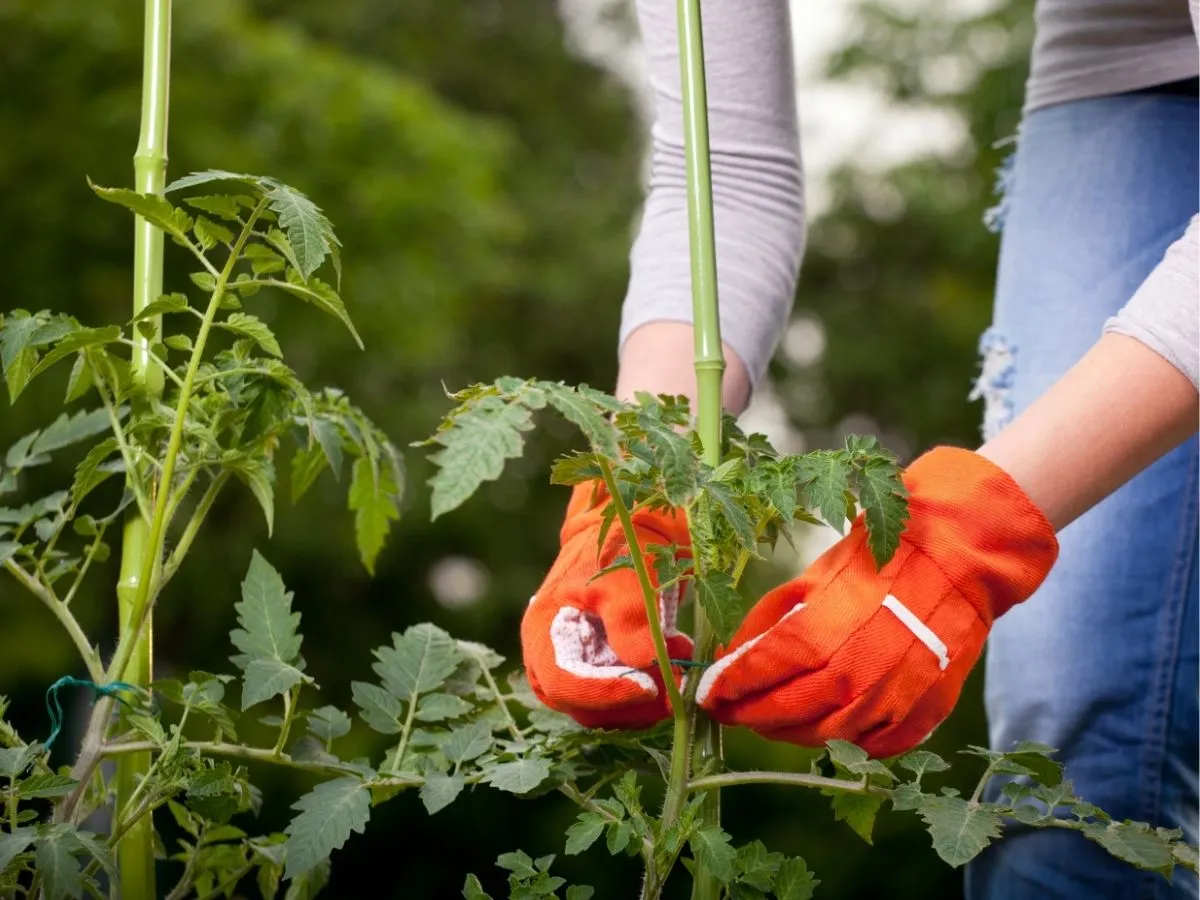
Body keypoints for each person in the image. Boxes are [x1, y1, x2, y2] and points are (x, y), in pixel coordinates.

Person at [519, 0, 1199, 896]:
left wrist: (962, 542)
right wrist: (640, 485)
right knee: (1070, 767)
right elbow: (722, 171)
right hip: (1120, 48)